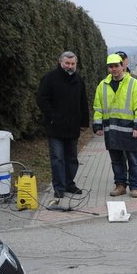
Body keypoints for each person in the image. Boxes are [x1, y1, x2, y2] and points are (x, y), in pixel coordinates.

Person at [36, 51, 90, 203]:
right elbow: (41, 99)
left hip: (73, 127)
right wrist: (52, 116)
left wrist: (85, 122)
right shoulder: (50, 78)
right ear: (60, 62)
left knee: (72, 159)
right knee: (58, 159)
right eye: (67, 63)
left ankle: (69, 184)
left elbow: (83, 102)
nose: (70, 66)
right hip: (55, 128)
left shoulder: (78, 80)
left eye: (73, 64)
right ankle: (59, 188)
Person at [93, 53, 137, 198]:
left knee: (134, 161)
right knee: (116, 161)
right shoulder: (102, 85)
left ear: (122, 66)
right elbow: (98, 107)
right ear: (108, 68)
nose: (114, 69)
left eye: (116, 66)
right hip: (112, 130)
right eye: (110, 67)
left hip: (131, 130)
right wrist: (97, 126)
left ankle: (135, 187)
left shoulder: (134, 84)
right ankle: (120, 186)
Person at [115, 50, 137, 184]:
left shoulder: (134, 78)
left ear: (126, 61)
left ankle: (135, 175)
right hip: (118, 123)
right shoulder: (111, 78)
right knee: (120, 153)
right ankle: (123, 177)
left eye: (123, 59)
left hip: (134, 122)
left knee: (136, 152)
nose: (122, 62)